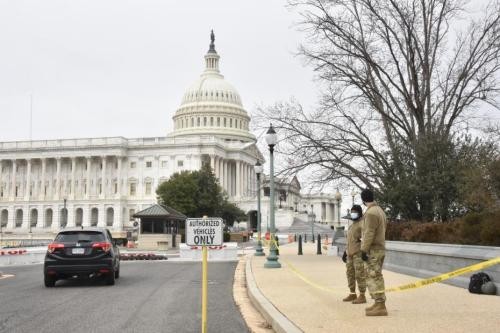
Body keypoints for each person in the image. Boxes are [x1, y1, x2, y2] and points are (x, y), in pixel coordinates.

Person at [360, 188, 388, 316]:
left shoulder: (370, 212)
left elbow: (369, 233)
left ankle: (380, 304)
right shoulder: (380, 211)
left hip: (374, 249)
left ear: (363, 200)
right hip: (380, 247)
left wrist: (364, 250)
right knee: (377, 275)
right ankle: (378, 303)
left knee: (373, 276)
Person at [341, 204, 366, 304]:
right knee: (350, 274)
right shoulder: (352, 225)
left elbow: (365, 238)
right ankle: (352, 293)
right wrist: (345, 252)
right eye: (352, 212)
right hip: (350, 253)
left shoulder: (362, 224)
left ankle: (362, 295)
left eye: (355, 212)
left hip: (358, 253)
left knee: (360, 274)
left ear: (359, 213)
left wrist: (364, 251)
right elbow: (349, 240)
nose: (353, 214)